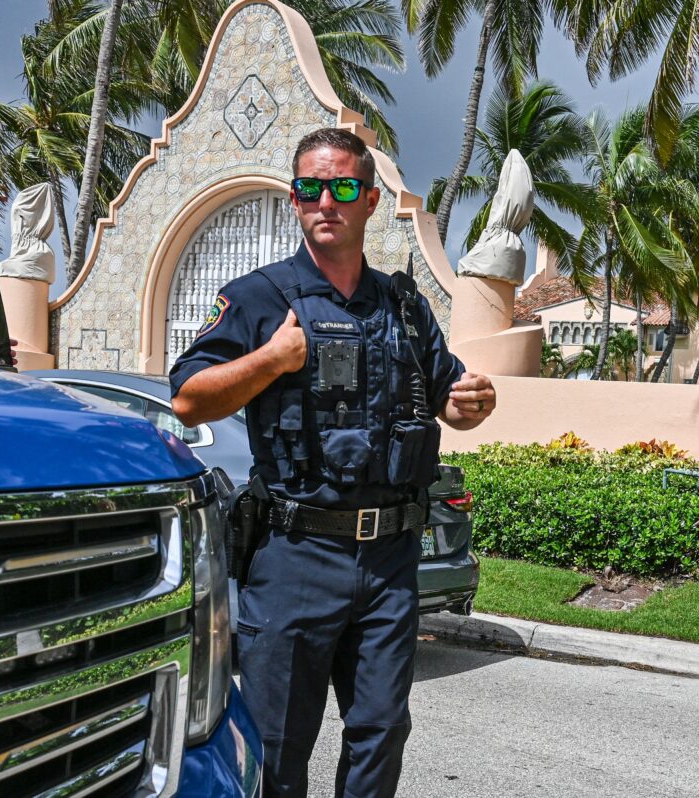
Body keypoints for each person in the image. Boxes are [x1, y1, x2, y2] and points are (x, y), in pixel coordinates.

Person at [170, 127, 495, 797]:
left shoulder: (406, 309)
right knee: (278, 743)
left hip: (389, 561)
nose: (326, 202)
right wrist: (270, 360)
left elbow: (450, 400)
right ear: (294, 200)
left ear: (370, 200)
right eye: (311, 188)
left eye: (343, 188)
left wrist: (472, 401)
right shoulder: (259, 298)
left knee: (380, 733)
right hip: (295, 555)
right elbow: (187, 399)